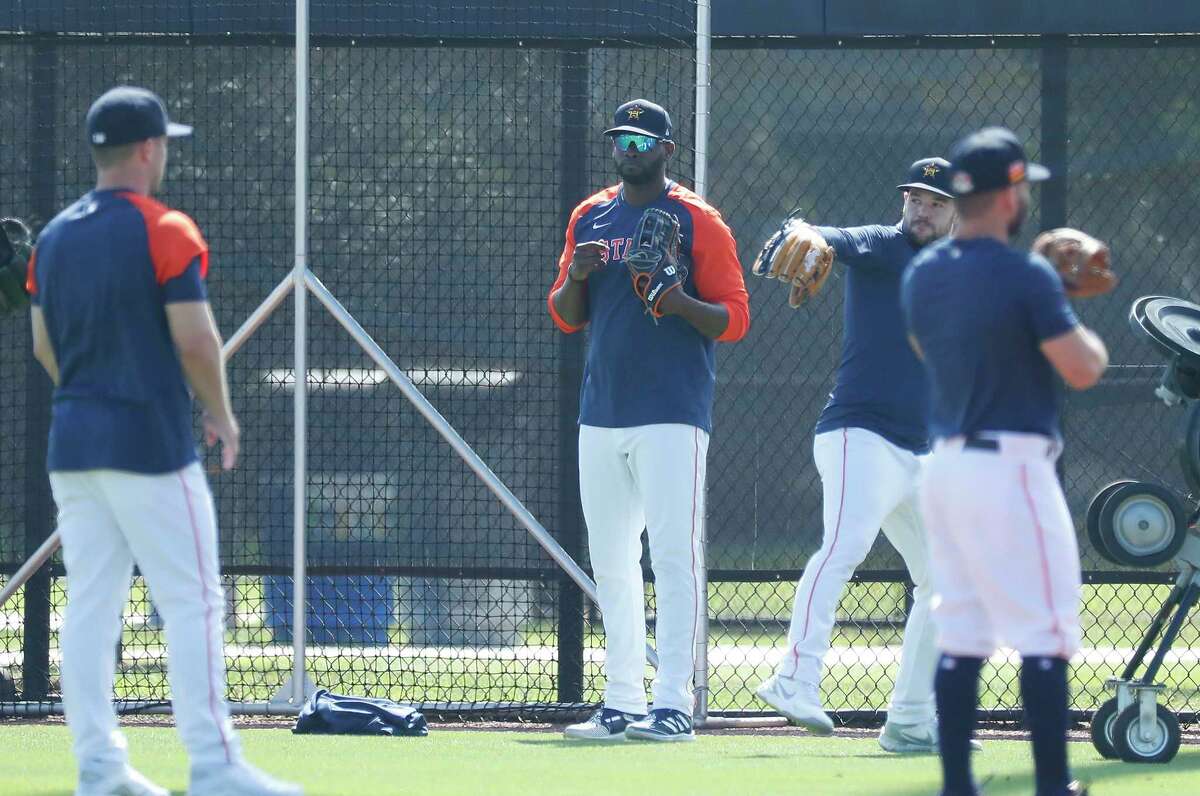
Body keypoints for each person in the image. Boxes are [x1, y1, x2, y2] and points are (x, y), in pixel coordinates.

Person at [26, 86, 302, 796]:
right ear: (148, 150)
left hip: (73, 447)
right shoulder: (166, 227)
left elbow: (43, 345)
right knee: (195, 602)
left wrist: (90, 391)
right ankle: (214, 768)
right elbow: (196, 338)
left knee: (91, 605)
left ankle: (99, 769)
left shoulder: (53, 238)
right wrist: (221, 413)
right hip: (147, 444)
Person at [902, 126, 1104, 796]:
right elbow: (1081, 369)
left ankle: (958, 785)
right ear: (1008, 193)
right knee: (1045, 631)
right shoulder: (1029, 275)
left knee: (961, 628)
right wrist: (1061, 306)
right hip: (1010, 466)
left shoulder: (923, 273)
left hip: (946, 466)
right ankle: (1053, 785)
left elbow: (937, 351)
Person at [548, 99, 750, 742]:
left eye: (642, 139)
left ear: (667, 148)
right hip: (601, 410)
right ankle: (621, 701)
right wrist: (578, 274)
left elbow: (736, 318)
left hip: (671, 410)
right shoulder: (590, 214)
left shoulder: (697, 219)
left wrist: (677, 299)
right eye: (621, 138)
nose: (629, 148)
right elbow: (565, 314)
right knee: (610, 560)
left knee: (673, 556)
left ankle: (673, 703)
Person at [754, 158, 964, 753]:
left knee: (945, 579)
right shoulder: (883, 245)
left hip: (918, 452)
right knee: (845, 546)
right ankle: (794, 678)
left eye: (935, 202)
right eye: (915, 198)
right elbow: (825, 237)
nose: (921, 210)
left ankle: (911, 720)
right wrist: (803, 232)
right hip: (859, 437)